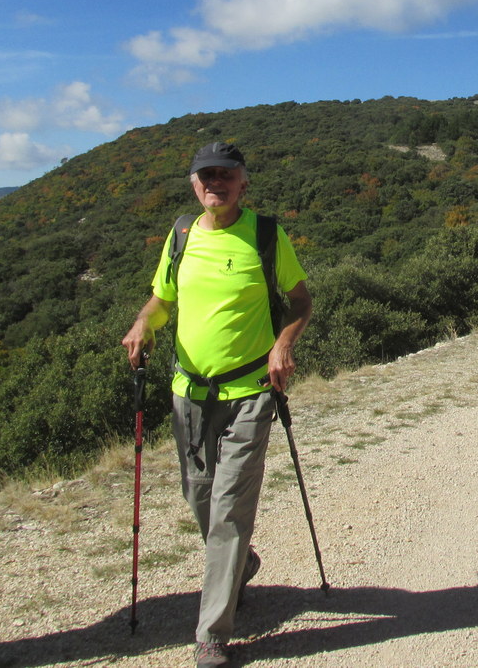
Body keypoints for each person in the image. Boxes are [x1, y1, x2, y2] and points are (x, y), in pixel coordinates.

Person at [122, 142, 312, 668]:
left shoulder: (266, 234)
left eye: (225, 175)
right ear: (193, 184)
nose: (216, 183)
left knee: (229, 508)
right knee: (199, 496)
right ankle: (239, 562)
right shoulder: (181, 234)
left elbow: (300, 300)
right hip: (189, 393)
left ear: (243, 181)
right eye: (206, 176)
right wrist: (144, 323)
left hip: (250, 391)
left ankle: (212, 632)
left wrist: (283, 345)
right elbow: (163, 300)